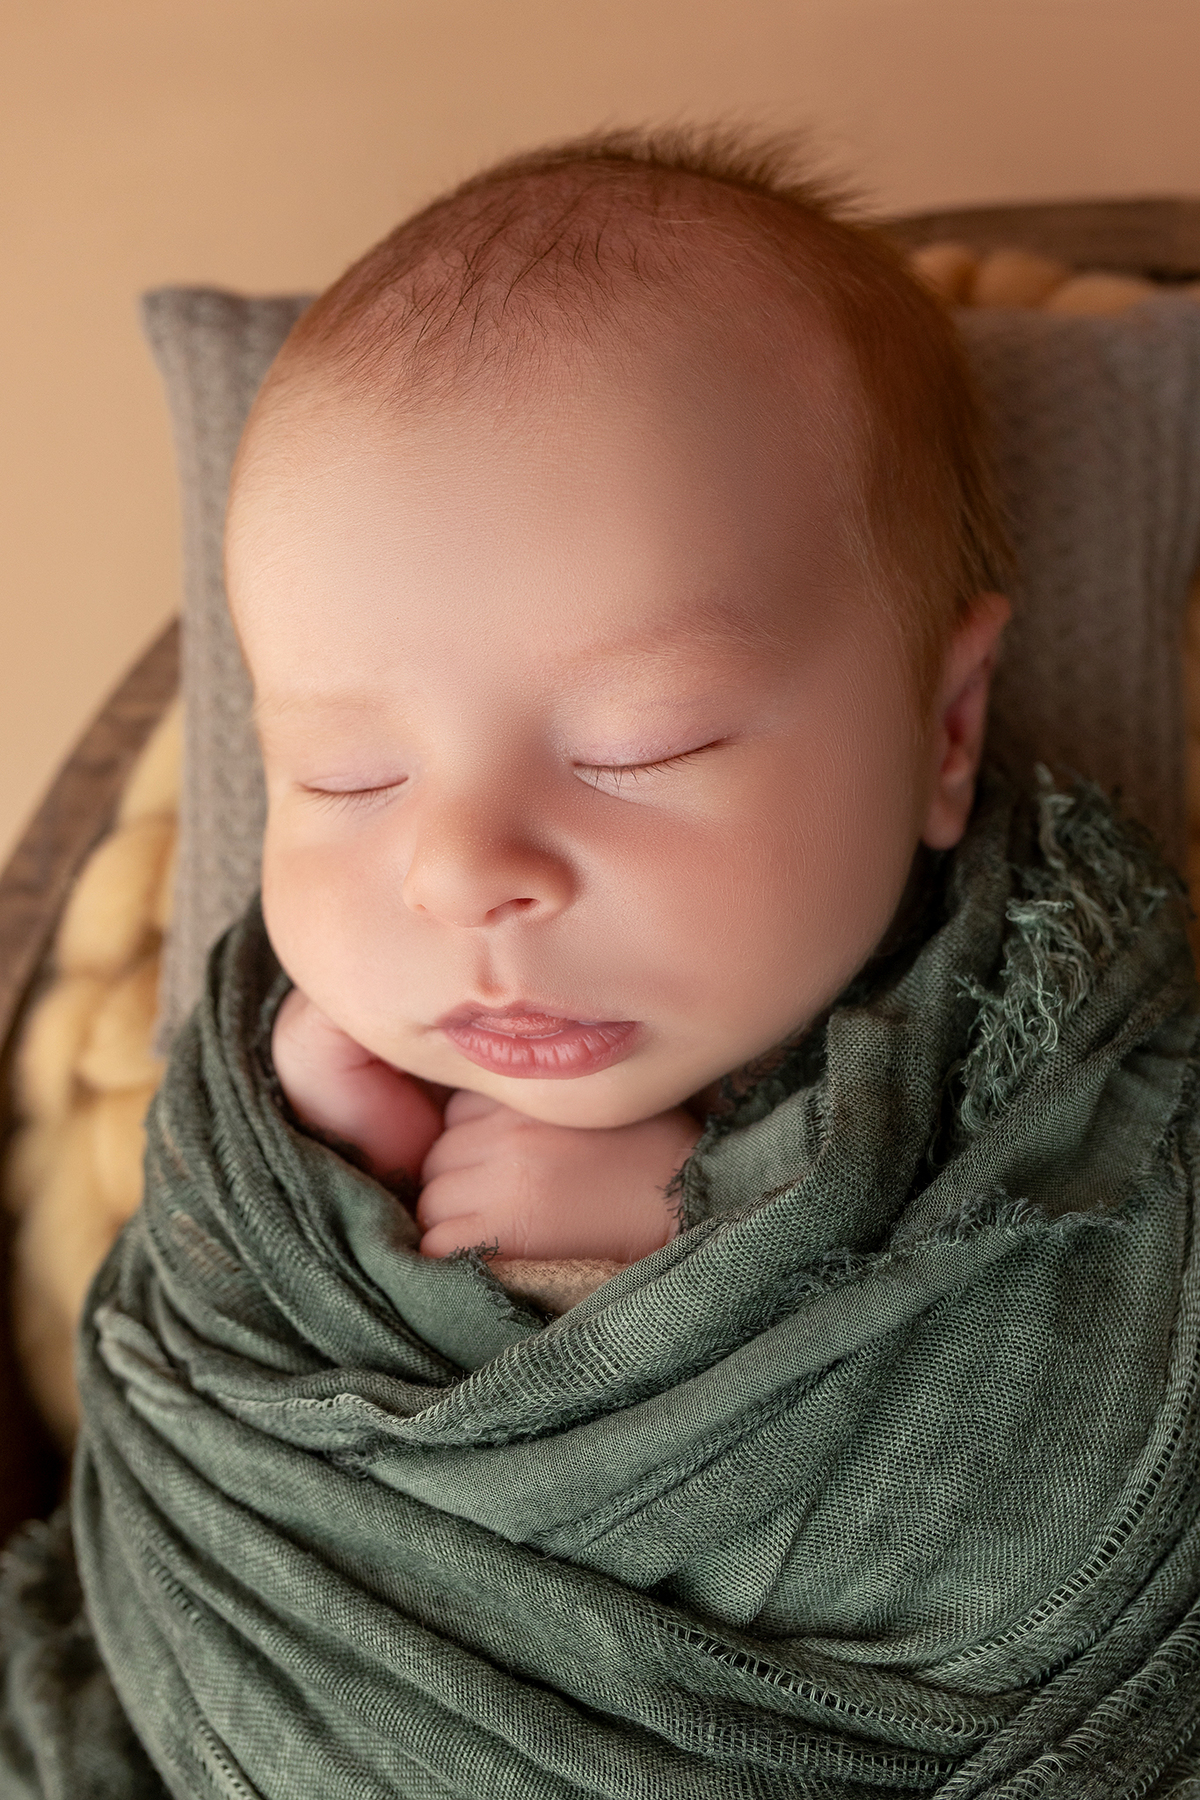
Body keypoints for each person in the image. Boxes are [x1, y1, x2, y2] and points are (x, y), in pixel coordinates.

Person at [6, 128, 1200, 1799]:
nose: (460, 869)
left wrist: (639, 1280)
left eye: (641, 742)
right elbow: (188, 1489)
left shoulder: (1091, 1108)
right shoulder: (263, 1126)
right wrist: (329, 1201)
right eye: (346, 776)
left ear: (944, 728)